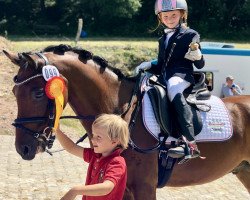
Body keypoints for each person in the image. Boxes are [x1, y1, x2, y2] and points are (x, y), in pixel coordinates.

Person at [135, 0, 205, 159]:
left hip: (182, 77)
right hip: (165, 76)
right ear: (160, 17)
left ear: (182, 14)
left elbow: (200, 64)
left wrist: (198, 56)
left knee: (173, 87)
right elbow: (161, 65)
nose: (170, 18)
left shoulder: (191, 34)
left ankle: (190, 143)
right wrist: (147, 66)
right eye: (165, 16)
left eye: (173, 15)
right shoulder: (163, 39)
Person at [55, 114, 130, 200]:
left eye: (98, 137)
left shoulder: (117, 162)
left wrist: (75, 190)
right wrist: (57, 130)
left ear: (114, 141)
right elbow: (72, 148)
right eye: (93, 135)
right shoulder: (95, 155)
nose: (92, 140)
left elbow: (107, 187)